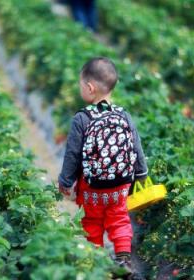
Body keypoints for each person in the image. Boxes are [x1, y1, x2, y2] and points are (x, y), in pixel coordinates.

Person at [58, 57, 148, 275]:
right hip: (120, 186)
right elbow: (136, 146)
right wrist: (141, 172)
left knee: (91, 221)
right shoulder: (123, 114)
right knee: (119, 218)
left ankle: (96, 259)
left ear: (90, 88)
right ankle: (124, 259)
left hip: (92, 189)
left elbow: (72, 154)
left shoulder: (82, 118)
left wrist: (65, 181)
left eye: (81, 86)